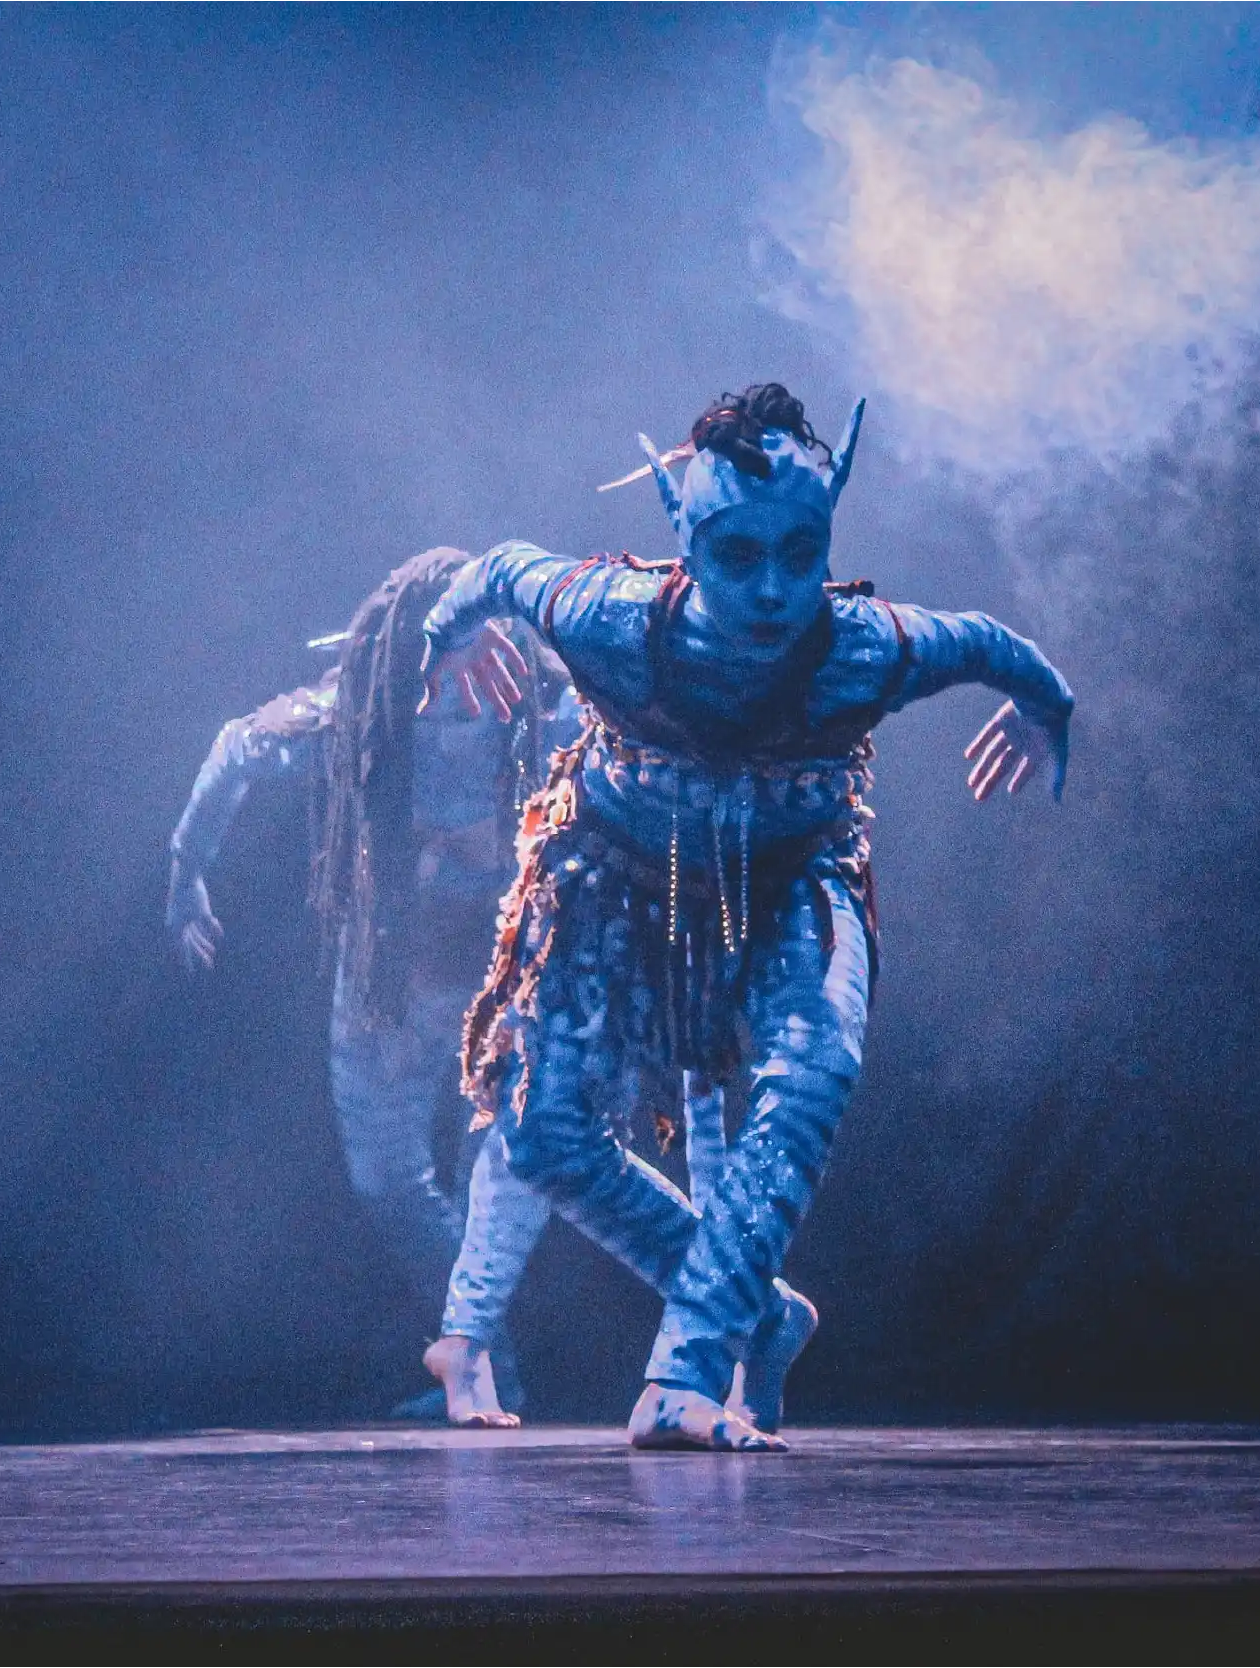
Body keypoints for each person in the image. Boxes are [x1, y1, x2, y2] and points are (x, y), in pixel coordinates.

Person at [419, 385, 1075, 1451]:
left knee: (814, 1069)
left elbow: (997, 648)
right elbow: (496, 568)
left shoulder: (868, 645)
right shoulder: (607, 616)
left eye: (799, 551)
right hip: (621, 886)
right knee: (541, 1140)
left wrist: (1046, 709)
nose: (773, 589)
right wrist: (448, 638)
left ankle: (684, 1372)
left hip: (791, 889)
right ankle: (761, 1319)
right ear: (683, 539)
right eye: (736, 556)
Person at [166, 548, 566, 1420]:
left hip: (498, 980)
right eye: (445, 653)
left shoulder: (537, 711)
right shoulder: (354, 719)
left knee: (492, 1175)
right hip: (394, 982)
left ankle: (484, 1366)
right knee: (394, 1181)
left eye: (482, 645)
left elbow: (634, 743)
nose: (467, 682)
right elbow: (237, 748)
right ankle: (489, 1367)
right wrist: (185, 872)